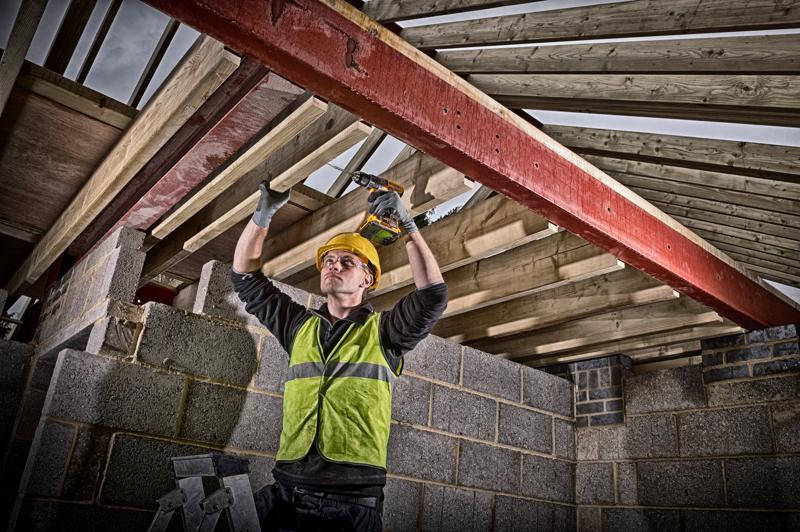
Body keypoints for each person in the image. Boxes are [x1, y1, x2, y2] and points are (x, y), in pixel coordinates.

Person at [231, 181, 447, 531]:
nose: (333, 265)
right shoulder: (298, 327)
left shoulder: (384, 332)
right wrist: (262, 215)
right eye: (328, 261)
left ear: (368, 278)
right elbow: (245, 279)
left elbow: (433, 297)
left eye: (346, 261)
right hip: (285, 489)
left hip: (350, 503)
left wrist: (408, 229)